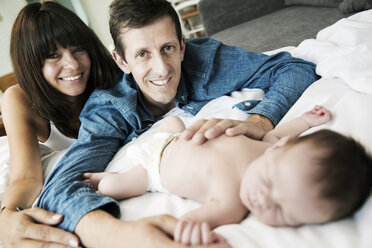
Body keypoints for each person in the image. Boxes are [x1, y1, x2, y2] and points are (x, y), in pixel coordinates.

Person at [35, 0, 320, 247]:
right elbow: (59, 189)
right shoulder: (107, 109)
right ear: (121, 61)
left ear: (183, 46)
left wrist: (261, 119)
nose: (161, 69)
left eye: (168, 48)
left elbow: (294, 68)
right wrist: (124, 236)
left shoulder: (206, 60)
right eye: (142, 54)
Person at [84, 105, 372, 245]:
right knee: (171, 119)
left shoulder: (231, 205)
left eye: (282, 211)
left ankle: (96, 179)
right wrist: (307, 119)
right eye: (270, 181)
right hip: (177, 136)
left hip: (153, 171)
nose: (262, 199)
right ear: (279, 151)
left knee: (113, 184)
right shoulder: (269, 145)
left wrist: (195, 233)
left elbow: (189, 223)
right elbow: (281, 132)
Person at [0, 1, 121, 247]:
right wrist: (7, 214)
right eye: (54, 55)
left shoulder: (108, 76)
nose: (73, 64)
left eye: (78, 50)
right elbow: (25, 176)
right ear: (32, 63)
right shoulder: (18, 98)